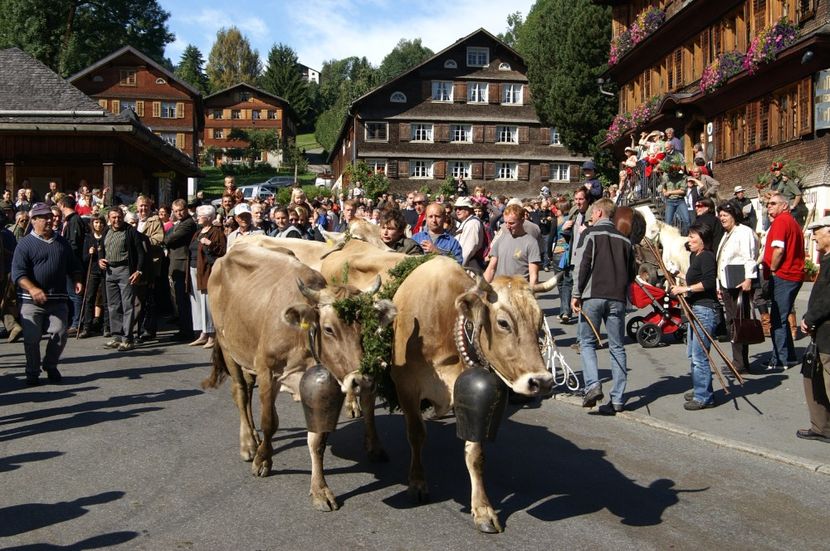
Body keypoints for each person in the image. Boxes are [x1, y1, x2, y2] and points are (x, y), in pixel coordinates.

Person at [571, 198, 635, 415]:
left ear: (598, 213)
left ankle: (592, 385)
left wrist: (576, 294)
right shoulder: (625, 240)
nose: (590, 215)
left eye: (592, 212)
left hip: (593, 295)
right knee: (617, 346)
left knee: (587, 342)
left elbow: (582, 265)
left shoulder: (589, 234)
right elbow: (632, 272)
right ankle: (617, 398)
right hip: (617, 298)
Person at [11, 202, 83, 385]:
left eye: (51, 217)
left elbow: (73, 265)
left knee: (60, 333)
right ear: (34, 220)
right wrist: (33, 289)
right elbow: (18, 274)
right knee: (32, 338)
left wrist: (76, 279)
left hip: (57, 299)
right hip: (30, 301)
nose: (50, 220)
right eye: (45, 217)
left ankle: (50, 365)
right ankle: (32, 371)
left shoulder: (62, 242)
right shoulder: (25, 244)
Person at [671, 223, 719, 410]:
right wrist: (678, 274)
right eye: (689, 236)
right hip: (695, 308)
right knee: (693, 354)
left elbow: (707, 283)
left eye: (693, 237)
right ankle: (700, 388)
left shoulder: (706, 256)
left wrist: (685, 289)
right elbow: (694, 278)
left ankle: (704, 397)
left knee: (700, 356)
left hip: (705, 310)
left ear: (703, 239)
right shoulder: (695, 256)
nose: (689, 240)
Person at [762, 193, 805, 369]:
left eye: (773, 203)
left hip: (784, 274)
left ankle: (779, 360)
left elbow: (779, 249)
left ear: (784, 206)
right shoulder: (792, 222)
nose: (768, 206)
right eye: (767, 204)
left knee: (777, 319)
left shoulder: (781, 221)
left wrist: (772, 269)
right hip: (792, 274)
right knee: (782, 316)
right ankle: (790, 356)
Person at [715, 202, 759, 375]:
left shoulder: (744, 232)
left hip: (739, 283)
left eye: (725, 214)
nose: (722, 218)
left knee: (739, 323)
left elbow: (749, 257)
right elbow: (722, 261)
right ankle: (739, 361)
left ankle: (740, 363)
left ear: (734, 215)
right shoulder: (728, 234)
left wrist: (749, 278)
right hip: (728, 283)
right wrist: (719, 285)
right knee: (733, 322)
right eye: (720, 215)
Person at [798, 216, 830, 443]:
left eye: (818, 231)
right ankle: (822, 427)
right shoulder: (826, 259)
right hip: (821, 331)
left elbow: (827, 299)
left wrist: (810, 318)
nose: (814, 236)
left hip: (828, 332)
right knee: (813, 380)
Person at [99, 207, 145, 352]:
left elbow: (140, 253)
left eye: (119, 217)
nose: (116, 220)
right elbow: (101, 247)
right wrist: (100, 259)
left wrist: (138, 270)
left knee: (127, 305)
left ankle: (128, 338)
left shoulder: (130, 231)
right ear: (109, 218)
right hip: (110, 271)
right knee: (113, 305)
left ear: (123, 216)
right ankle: (117, 336)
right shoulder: (107, 230)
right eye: (113, 217)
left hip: (126, 270)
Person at [188, 205, 225, 349]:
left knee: (206, 302)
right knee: (196, 301)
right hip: (193, 269)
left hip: (206, 271)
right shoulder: (198, 232)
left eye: (200, 215)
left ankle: (211, 334)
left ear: (209, 218)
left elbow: (221, 251)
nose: (197, 218)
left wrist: (209, 244)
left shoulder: (216, 232)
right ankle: (202, 333)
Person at [164, 199, 197, 341]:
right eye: (176, 211)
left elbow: (169, 239)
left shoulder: (188, 223)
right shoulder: (179, 223)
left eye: (181, 210)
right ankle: (183, 328)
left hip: (182, 263)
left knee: (183, 298)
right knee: (178, 298)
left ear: (186, 209)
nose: (178, 213)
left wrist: (166, 238)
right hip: (175, 262)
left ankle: (186, 330)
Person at [484, 203, 541, 285]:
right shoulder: (501, 239)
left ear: (522, 220)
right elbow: (491, 268)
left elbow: (533, 275)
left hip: (518, 292)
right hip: (500, 290)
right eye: (505, 222)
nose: (507, 226)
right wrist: (481, 289)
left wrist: (531, 293)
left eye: (511, 223)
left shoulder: (531, 242)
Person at [559, 188, 590, 323]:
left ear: (587, 200)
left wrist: (589, 230)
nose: (578, 202)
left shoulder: (591, 216)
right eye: (576, 199)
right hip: (573, 257)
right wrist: (564, 228)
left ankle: (584, 326)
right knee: (567, 282)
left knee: (583, 290)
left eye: (581, 199)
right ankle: (566, 312)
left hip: (585, 260)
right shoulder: (575, 214)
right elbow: (569, 237)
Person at [135, 196, 164, 340]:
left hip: (151, 265)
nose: (143, 209)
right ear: (136, 207)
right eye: (141, 206)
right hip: (136, 265)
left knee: (149, 299)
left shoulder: (155, 221)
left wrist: (140, 241)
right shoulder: (132, 222)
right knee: (137, 299)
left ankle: (149, 329)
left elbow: (158, 240)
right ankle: (136, 328)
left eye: (146, 206)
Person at [78, 215, 109, 338]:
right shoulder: (89, 238)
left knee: (106, 299)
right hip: (93, 271)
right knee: (90, 298)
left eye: (101, 222)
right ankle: (87, 326)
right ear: (92, 224)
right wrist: (90, 253)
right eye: (96, 222)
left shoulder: (107, 237)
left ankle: (106, 326)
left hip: (105, 271)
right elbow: (85, 259)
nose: (98, 225)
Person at [661, 141, 689, 235]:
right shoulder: (666, 175)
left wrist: (670, 192)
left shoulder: (678, 155)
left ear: (671, 147)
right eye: (665, 148)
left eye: (667, 148)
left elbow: (683, 191)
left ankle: (685, 237)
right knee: (668, 223)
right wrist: (664, 191)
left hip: (680, 200)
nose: (666, 150)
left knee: (687, 221)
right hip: (670, 201)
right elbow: (663, 185)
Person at [453, 197, 485, 273]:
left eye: (460, 208)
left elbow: (467, 251)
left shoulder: (472, 224)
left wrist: (456, 270)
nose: (457, 211)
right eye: (456, 208)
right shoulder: (468, 222)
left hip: (469, 269)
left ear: (469, 209)